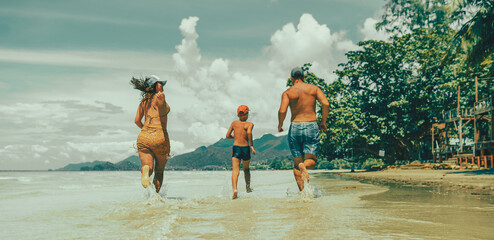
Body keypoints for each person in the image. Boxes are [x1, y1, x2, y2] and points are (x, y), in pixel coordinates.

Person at [278, 67, 329, 191]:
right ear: (303, 77)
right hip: (311, 124)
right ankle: (305, 166)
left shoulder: (288, 92)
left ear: (291, 78)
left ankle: (303, 193)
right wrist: (323, 121)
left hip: (295, 126)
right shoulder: (314, 89)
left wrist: (280, 125)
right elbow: (326, 103)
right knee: (311, 160)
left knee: (297, 163)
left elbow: (282, 110)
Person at [131, 75, 170, 193]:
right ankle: (155, 199)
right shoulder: (160, 96)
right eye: (160, 83)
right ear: (154, 85)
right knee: (159, 171)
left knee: (148, 167)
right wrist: (160, 96)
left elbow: (137, 121)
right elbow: (160, 104)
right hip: (160, 136)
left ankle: (145, 171)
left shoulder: (144, 102)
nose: (162, 85)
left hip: (144, 137)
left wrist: (146, 131)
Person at [226, 105, 256, 199]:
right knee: (246, 169)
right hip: (245, 148)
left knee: (235, 170)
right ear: (246, 114)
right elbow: (249, 133)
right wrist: (251, 145)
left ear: (238, 114)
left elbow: (227, 135)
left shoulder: (234, 123)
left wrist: (235, 137)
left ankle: (235, 190)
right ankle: (247, 188)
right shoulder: (250, 124)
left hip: (236, 148)